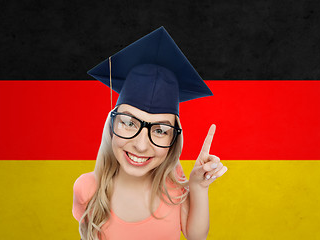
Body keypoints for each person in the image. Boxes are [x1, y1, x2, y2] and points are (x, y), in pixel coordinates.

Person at [72, 27, 227, 240]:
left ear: (173, 141)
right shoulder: (87, 189)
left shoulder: (173, 182)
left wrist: (198, 187)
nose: (142, 145)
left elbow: (196, 236)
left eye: (161, 130)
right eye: (128, 123)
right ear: (111, 125)